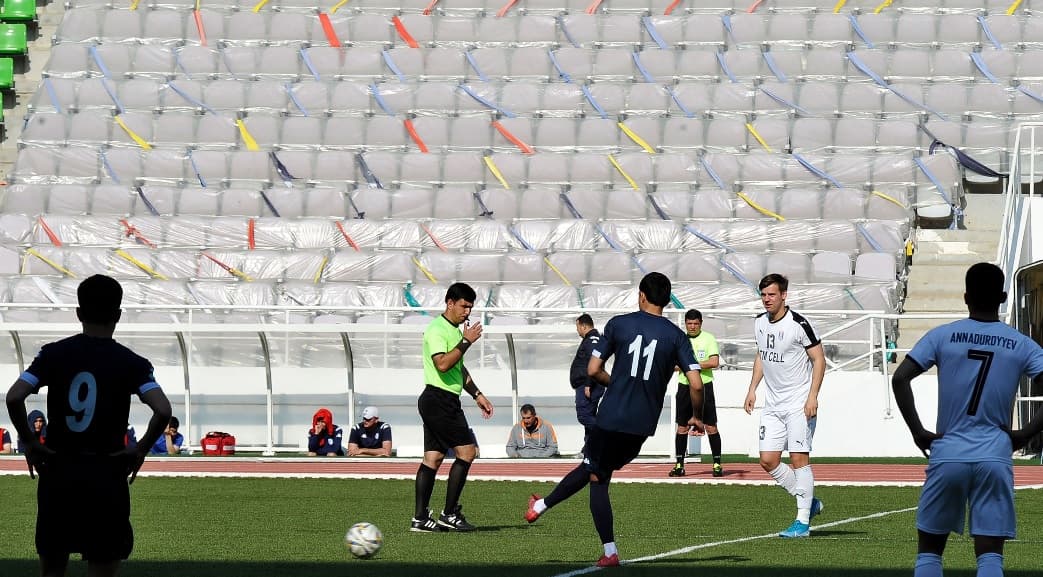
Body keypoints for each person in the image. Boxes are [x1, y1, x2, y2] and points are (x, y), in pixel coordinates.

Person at [524, 272, 704, 567]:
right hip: (643, 426)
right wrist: (696, 415)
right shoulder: (677, 336)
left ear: (641, 296)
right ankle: (544, 507)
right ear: (668, 300)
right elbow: (696, 385)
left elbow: (594, 369)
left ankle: (603, 547)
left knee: (595, 475)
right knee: (598, 471)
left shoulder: (619, 324)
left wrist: (616, 384)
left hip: (610, 417)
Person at [4, 274, 173, 577]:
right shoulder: (132, 362)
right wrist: (140, 448)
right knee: (103, 566)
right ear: (118, 315)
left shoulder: (53, 354)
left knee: (52, 569)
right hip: (106, 473)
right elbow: (162, 410)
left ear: (79, 312)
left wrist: (30, 442)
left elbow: (15, 397)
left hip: (59, 470)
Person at [892, 262, 1043, 577]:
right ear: (1003, 296)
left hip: (949, 453)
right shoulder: (1022, 344)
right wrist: (1025, 433)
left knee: (930, 555)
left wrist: (918, 431)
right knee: (990, 559)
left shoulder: (942, 336)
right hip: (994, 455)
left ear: (965, 296)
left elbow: (901, 378)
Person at [743, 273, 826, 538]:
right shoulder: (759, 323)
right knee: (767, 460)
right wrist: (752, 388)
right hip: (772, 404)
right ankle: (809, 502)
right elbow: (761, 355)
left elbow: (819, 360)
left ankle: (802, 523)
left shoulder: (798, 324)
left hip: (798, 403)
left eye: (772, 295)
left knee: (799, 458)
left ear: (784, 296)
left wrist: (812, 396)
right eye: (764, 295)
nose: (767, 299)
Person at [412, 282, 494, 533]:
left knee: (433, 458)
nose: (467, 312)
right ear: (449, 303)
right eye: (464, 306)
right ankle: (449, 514)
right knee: (467, 452)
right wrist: (467, 342)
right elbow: (444, 365)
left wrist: (477, 393)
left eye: (470, 307)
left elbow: (458, 368)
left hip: (441, 399)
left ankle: (420, 519)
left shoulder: (456, 332)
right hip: (439, 400)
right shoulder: (437, 329)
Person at [670, 309, 722, 477]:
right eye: (689, 323)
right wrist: (690, 366)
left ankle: (716, 464)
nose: (692, 326)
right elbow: (672, 365)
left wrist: (691, 365)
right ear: (685, 323)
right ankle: (679, 465)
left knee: (711, 426)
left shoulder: (708, 338)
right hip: (685, 386)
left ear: (701, 324)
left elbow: (714, 361)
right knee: (682, 426)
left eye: (696, 323)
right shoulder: (679, 339)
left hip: (704, 385)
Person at [570, 314, 605, 451]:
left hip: (588, 385)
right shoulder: (592, 339)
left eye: (577, 327)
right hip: (589, 384)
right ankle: (589, 449)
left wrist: (588, 384)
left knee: (584, 416)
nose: (577, 330)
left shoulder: (592, 339)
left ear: (583, 325)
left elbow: (594, 359)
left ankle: (605, 435)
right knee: (589, 417)